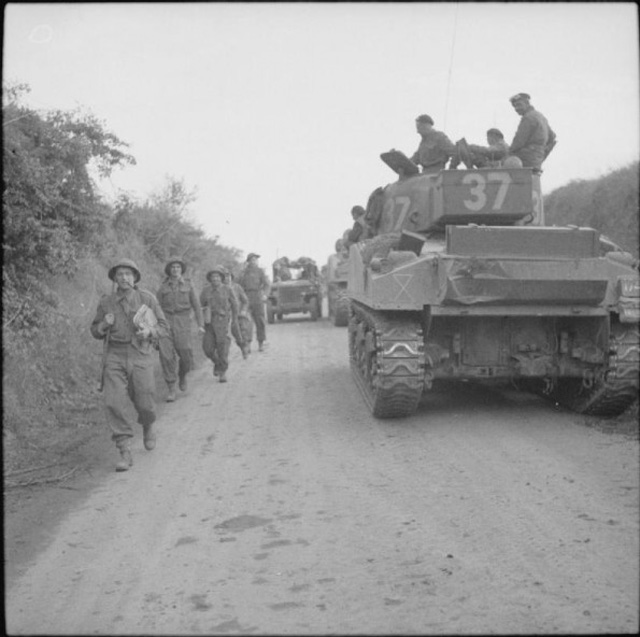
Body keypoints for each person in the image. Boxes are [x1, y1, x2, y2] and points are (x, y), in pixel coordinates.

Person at [91, 258, 169, 472]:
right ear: (115, 278)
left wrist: (150, 332)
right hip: (114, 355)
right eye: (120, 274)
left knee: (145, 401)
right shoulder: (106, 302)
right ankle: (124, 448)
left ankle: (148, 424)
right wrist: (104, 325)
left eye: (128, 274)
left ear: (135, 277)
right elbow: (95, 331)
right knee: (113, 402)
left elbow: (163, 327)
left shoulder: (147, 299)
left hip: (140, 353)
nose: (124, 278)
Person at [156, 256, 204, 401]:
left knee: (186, 354)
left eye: (177, 267)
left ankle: (182, 375)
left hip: (183, 323)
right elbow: (156, 307)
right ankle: (171, 388)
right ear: (169, 270)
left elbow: (197, 307)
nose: (175, 270)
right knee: (166, 356)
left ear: (181, 270)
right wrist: (155, 326)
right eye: (172, 267)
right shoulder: (163, 287)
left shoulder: (189, 285)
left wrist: (200, 325)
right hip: (166, 322)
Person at [200, 266, 239, 383]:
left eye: (217, 276)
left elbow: (235, 305)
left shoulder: (228, 289)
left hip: (222, 321)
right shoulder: (205, 290)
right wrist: (201, 320)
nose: (215, 279)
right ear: (210, 279)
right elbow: (200, 305)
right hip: (209, 322)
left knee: (222, 347)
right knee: (207, 348)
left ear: (221, 278)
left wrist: (234, 319)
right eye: (213, 277)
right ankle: (216, 362)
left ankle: (223, 372)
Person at [508, 92, 557, 173]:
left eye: (519, 104)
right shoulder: (540, 116)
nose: (517, 108)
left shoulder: (528, 117)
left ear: (527, 103)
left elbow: (519, 141)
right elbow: (552, 137)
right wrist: (541, 151)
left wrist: (508, 153)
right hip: (537, 158)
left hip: (526, 158)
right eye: (515, 106)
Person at [238, 253, 270, 352]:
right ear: (248, 261)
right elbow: (238, 285)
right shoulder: (243, 272)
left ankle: (261, 343)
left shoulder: (260, 271)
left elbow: (267, 284)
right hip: (246, 297)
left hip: (257, 297)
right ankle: (247, 344)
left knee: (260, 321)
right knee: (246, 322)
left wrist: (265, 294)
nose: (254, 262)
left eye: (255, 260)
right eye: (252, 260)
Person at [227, 269, 253, 358]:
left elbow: (245, 301)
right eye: (225, 276)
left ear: (231, 277)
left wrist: (243, 310)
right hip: (227, 315)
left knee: (244, 330)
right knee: (234, 333)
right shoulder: (221, 288)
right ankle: (242, 346)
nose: (227, 278)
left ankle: (245, 346)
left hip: (239, 313)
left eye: (229, 276)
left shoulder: (237, 287)